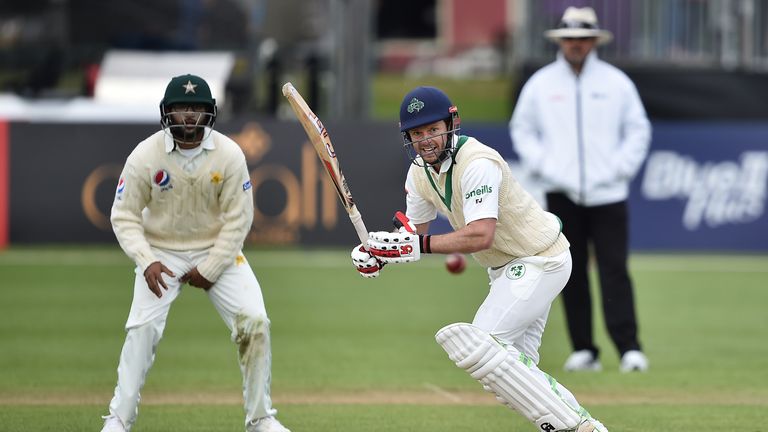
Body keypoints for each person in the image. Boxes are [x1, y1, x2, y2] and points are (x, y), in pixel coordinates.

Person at [351, 86, 609, 432]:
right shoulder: (419, 171)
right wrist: (378, 252)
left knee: (481, 344)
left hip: (539, 259)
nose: (425, 140)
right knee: (508, 379)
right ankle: (576, 425)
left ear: (450, 124)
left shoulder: (477, 163)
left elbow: (479, 235)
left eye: (432, 130)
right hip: (504, 270)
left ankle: (582, 427)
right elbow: (413, 230)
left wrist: (411, 247)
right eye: (417, 133)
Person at [102, 74, 290, 432]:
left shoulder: (229, 154)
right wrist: (146, 260)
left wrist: (214, 266)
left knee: (255, 322)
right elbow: (123, 215)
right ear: (166, 112)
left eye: (197, 109)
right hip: (160, 250)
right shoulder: (145, 155)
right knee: (141, 330)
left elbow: (240, 218)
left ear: (211, 113)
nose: (188, 116)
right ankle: (118, 420)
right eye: (181, 109)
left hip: (216, 247)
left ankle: (261, 419)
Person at [510, 6, 651, 373]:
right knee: (568, 271)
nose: (576, 45)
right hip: (560, 193)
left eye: (582, 39)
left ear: (593, 41)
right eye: (569, 39)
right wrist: (546, 167)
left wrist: (618, 169)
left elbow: (638, 130)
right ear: (561, 41)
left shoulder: (616, 82)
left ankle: (629, 348)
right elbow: (522, 130)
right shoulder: (541, 84)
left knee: (614, 269)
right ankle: (585, 349)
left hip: (609, 194)